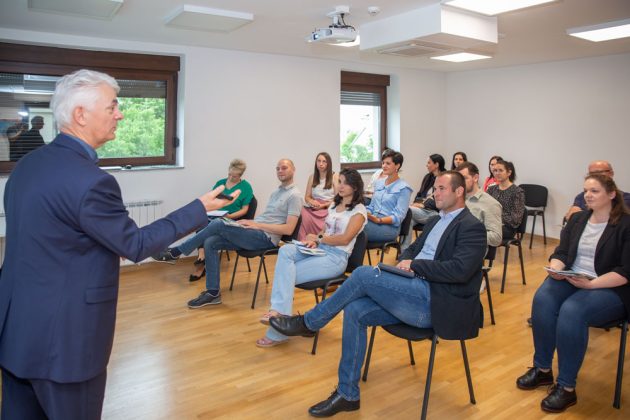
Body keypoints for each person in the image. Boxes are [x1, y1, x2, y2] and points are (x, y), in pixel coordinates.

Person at [0, 69, 237, 419]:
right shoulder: (91, 182)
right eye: (112, 107)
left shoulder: (27, 165)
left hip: (17, 335)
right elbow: (136, 244)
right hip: (65, 345)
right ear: (80, 115)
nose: (120, 114)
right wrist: (198, 208)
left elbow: (49, 241)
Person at [269, 171, 487, 417]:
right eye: (434, 188)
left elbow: (459, 270)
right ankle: (347, 394)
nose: (435, 193)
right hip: (411, 288)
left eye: (441, 189)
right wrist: (404, 263)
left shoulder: (472, 227)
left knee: (363, 274)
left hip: (434, 303)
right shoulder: (436, 220)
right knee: (355, 309)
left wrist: (415, 266)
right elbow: (412, 249)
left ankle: (309, 322)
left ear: (459, 192)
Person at [516, 174, 630, 413]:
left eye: (594, 191)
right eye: (586, 190)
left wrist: (591, 284)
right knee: (543, 299)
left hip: (610, 285)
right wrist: (556, 269)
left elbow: (625, 271)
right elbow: (561, 252)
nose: (587, 195)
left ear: (611, 194)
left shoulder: (625, 225)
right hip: (574, 277)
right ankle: (542, 369)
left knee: (572, 310)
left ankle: (567, 387)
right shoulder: (578, 219)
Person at [153, 159, 302, 309]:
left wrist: (256, 224)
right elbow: (267, 218)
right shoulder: (276, 192)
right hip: (255, 230)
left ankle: (176, 252)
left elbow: (288, 230)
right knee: (211, 242)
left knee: (218, 223)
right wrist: (248, 223)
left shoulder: (294, 196)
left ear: (293, 170)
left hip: (266, 238)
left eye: (284, 168)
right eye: (277, 168)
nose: (280, 171)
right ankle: (213, 293)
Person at [256, 168, 367, 347]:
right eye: (340, 181)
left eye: (346, 183)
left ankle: (277, 328)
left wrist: (319, 239)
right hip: (321, 249)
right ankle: (279, 314)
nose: (341, 186)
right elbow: (325, 229)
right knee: (285, 251)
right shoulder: (334, 204)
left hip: (336, 258)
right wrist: (315, 240)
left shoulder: (359, 212)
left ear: (355, 187)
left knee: (285, 274)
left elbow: (345, 239)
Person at [188, 159, 254, 281]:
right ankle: (201, 257)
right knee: (201, 223)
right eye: (229, 174)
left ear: (240, 175)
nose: (231, 178)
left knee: (207, 228)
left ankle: (200, 265)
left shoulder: (246, 187)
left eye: (234, 176)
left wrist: (229, 216)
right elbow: (211, 201)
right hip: (216, 215)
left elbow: (244, 210)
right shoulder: (220, 183)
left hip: (232, 219)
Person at [364, 149, 412, 243]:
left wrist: (379, 220)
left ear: (397, 166)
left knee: (356, 226)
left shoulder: (404, 188)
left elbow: (398, 217)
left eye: (388, 163)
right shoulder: (378, 183)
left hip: (389, 229)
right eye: (383, 163)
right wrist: (364, 212)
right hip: (373, 222)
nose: (384, 166)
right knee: (351, 220)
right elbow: (371, 207)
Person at [400, 153, 445, 251]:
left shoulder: (444, 178)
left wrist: (422, 204)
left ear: (436, 164)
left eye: (429, 163)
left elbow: (440, 200)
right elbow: (420, 194)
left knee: (407, 211)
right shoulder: (427, 177)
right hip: (422, 211)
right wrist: (416, 203)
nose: (426, 165)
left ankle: (402, 249)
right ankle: (404, 251)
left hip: (435, 213)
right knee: (409, 220)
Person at [564, 160, 630, 222]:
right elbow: (571, 217)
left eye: (599, 172)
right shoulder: (581, 196)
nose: (596, 176)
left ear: (611, 173)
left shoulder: (627, 198)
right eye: (592, 174)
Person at [457, 162, 503, 248]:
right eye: (458, 180)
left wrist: (468, 234)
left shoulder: (490, 204)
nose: (460, 183)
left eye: (464, 178)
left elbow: (496, 238)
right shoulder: (457, 199)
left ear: (475, 178)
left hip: (470, 248)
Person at [297, 152, 338, 240]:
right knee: (302, 212)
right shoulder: (312, 177)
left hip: (328, 207)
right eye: (319, 161)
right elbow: (307, 197)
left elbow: (338, 198)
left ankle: (318, 240)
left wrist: (323, 205)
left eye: (324, 161)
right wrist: (312, 201)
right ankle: (304, 242)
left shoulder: (335, 176)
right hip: (314, 208)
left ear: (328, 163)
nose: (321, 164)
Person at [487, 160, 525, 240]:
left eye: (501, 170)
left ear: (509, 173)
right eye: (495, 170)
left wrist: (496, 216)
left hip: (508, 228)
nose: (497, 173)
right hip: (491, 223)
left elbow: (515, 220)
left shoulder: (517, 192)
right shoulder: (491, 189)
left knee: (481, 233)